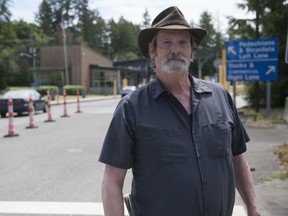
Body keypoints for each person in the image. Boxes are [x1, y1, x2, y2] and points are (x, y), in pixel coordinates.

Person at [99, 6, 260, 216]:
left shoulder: (220, 97)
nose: (176, 49)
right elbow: (112, 180)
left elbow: (237, 158)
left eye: (183, 42)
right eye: (166, 42)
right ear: (152, 51)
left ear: (192, 52)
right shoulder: (131, 108)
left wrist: (254, 209)